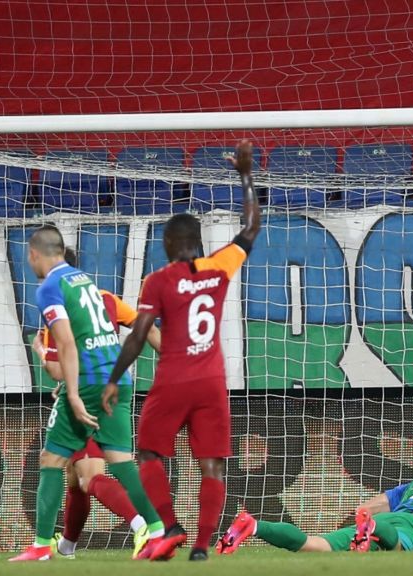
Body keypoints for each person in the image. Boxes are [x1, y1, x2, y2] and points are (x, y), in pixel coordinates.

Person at [105, 139, 261, 561]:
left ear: (172, 243)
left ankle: (171, 526)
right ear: (196, 241)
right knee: (212, 464)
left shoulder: (158, 281)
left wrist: (115, 379)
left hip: (173, 378)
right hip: (212, 381)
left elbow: (138, 334)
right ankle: (203, 546)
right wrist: (245, 174)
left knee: (150, 454)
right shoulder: (219, 267)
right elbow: (250, 229)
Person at [11, 227, 166, 562]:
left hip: (88, 383)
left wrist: (71, 389)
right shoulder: (91, 285)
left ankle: (41, 546)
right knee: (115, 463)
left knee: (56, 462)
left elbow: (64, 348)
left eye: (29, 256)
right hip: (119, 379)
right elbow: (146, 326)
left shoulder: (50, 288)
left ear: (35, 254)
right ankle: (155, 529)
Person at [215, 450, 413, 554]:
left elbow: (367, 508)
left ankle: (252, 525)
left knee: (315, 545)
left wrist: (351, 526)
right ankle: (371, 530)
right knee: (397, 546)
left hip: (382, 519)